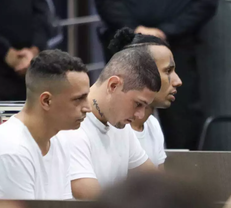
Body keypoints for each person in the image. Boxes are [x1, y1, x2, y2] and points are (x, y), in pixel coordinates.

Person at [0, 50, 91, 199]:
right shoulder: (10, 151)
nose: (87, 107)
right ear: (46, 101)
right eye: (78, 99)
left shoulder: (60, 139)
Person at [95, 0, 220, 150]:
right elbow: (107, 0)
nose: (141, 112)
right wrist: (134, 29)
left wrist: (168, 30)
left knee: (181, 118)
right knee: (123, 110)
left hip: (178, 44)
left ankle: (181, 172)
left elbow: (206, 1)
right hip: (126, 42)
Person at [58, 28, 161, 200]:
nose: (140, 114)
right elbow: (96, 203)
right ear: (113, 85)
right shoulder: (71, 128)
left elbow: (156, 185)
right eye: (138, 104)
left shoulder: (121, 126)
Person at [125, 37, 182, 169]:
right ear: (139, 74)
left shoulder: (153, 125)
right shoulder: (117, 128)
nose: (178, 81)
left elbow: (158, 187)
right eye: (168, 71)